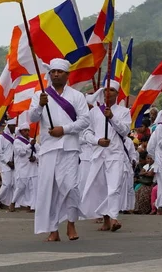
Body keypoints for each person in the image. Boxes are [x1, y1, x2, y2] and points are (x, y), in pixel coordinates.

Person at [29, 58, 89, 242]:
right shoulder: (40, 94)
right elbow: (32, 117)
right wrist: (39, 104)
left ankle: (71, 222)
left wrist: (64, 129)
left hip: (69, 148)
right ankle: (52, 229)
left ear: (67, 75)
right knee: (50, 190)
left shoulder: (77, 96)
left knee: (70, 186)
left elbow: (85, 120)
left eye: (59, 72)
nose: (55, 74)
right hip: (48, 149)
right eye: (53, 71)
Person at [80, 81, 131, 232]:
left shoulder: (124, 111)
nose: (109, 93)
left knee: (114, 187)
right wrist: (97, 141)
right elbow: (86, 132)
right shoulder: (94, 112)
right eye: (106, 90)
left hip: (115, 154)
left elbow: (125, 131)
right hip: (98, 154)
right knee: (100, 188)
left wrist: (112, 117)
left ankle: (115, 218)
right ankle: (106, 220)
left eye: (112, 90)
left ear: (117, 94)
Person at [11, 122, 40, 212]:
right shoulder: (17, 141)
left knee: (34, 188)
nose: (27, 132)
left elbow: (40, 152)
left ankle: (32, 206)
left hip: (33, 167)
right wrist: (29, 145)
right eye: (25, 131)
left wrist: (35, 158)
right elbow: (21, 152)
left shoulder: (33, 140)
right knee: (21, 187)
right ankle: (13, 202)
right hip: (22, 168)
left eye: (28, 130)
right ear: (21, 131)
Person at [0, 119, 17, 211]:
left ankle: (8, 204)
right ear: (9, 126)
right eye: (13, 126)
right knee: (6, 184)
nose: (14, 128)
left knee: (12, 184)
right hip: (5, 164)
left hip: (14, 164)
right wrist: (8, 162)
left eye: (15, 126)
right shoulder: (1, 137)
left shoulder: (15, 136)